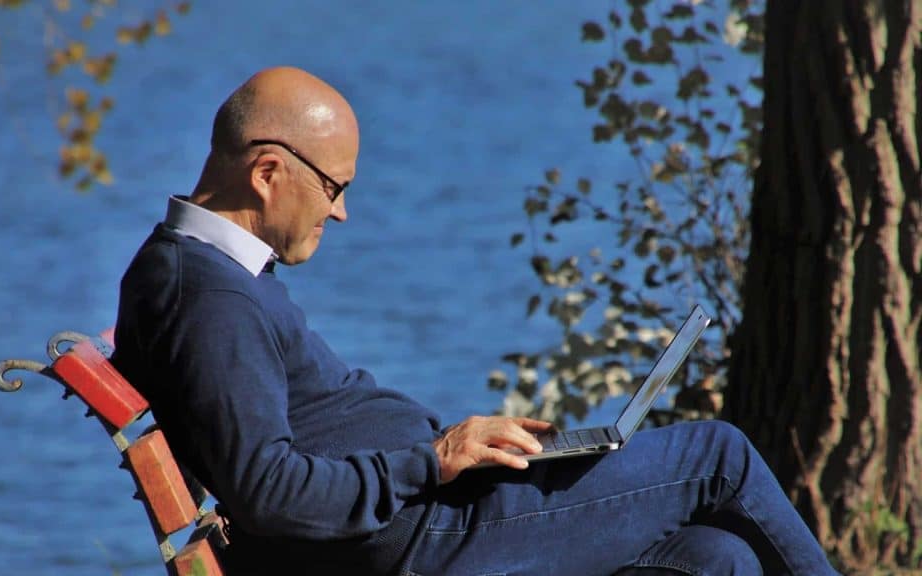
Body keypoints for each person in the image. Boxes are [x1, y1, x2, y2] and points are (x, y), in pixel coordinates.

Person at [111, 66, 839, 575]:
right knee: (718, 455)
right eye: (334, 187)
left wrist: (451, 451)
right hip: (424, 540)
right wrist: (432, 460)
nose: (341, 211)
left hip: (425, 523)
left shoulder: (202, 273)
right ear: (268, 173)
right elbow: (270, 491)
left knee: (715, 559)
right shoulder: (208, 298)